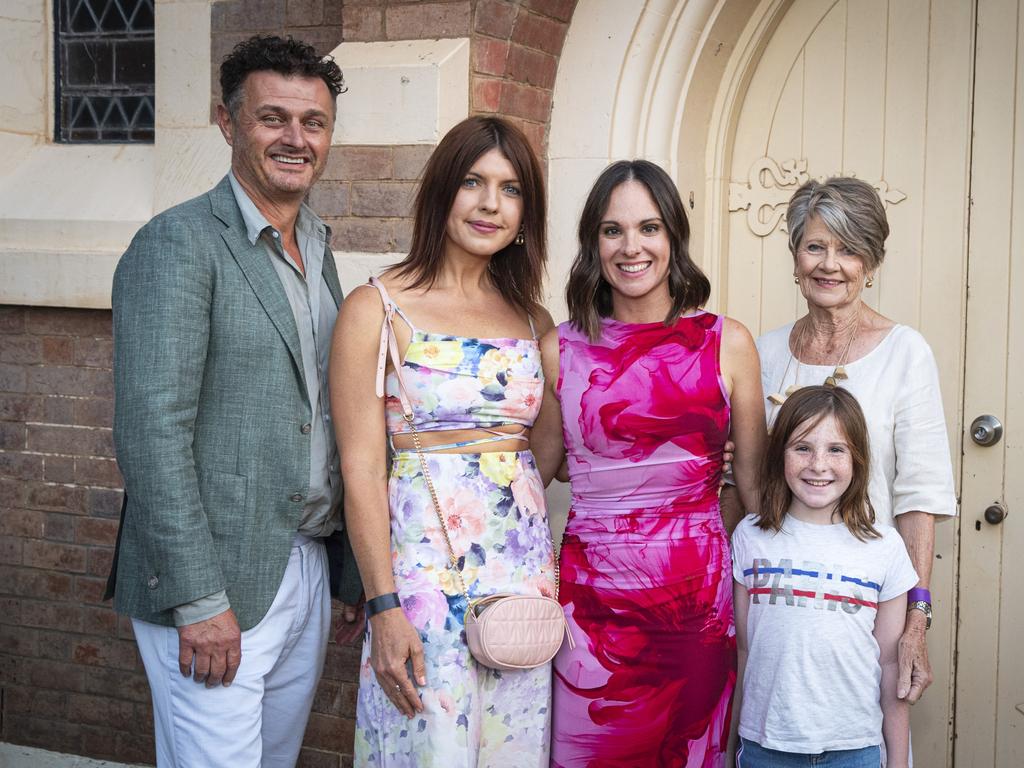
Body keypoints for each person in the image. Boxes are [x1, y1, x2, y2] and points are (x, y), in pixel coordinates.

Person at [106, 35, 358, 767]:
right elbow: (151, 432)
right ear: (227, 121)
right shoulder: (178, 245)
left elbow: (326, 417)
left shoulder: (318, 246)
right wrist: (198, 600)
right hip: (216, 581)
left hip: (303, 563)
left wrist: (342, 572)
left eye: (313, 122)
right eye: (271, 117)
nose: (295, 138)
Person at [330, 115, 556, 765]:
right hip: (421, 579)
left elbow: (547, 454)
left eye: (511, 189)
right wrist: (383, 606)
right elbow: (362, 469)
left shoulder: (533, 321)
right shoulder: (376, 307)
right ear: (440, 193)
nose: (490, 204)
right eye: (472, 182)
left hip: (520, 582)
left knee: (512, 748)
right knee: (427, 746)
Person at [531, 159, 767, 766]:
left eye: (649, 228)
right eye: (613, 230)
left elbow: (760, 494)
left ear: (673, 240)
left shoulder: (728, 342)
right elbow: (535, 472)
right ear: (593, 243)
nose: (631, 247)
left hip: (695, 607)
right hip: (591, 608)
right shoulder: (561, 348)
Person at [755, 177, 957, 705]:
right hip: (778, 601)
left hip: (870, 604)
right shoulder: (764, 352)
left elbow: (919, 496)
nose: (829, 264)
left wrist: (916, 617)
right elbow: (745, 479)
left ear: (871, 262)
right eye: (815, 245)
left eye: (848, 249)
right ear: (795, 255)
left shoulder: (905, 352)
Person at [732, 385, 918, 767]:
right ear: (778, 455)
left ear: (858, 459)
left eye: (836, 449)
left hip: (853, 749)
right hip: (765, 748)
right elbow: (743, 651)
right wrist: (727, 748)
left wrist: (898, 761)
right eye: (802, 447)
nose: (818, 464)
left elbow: (889, 666)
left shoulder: (885, 548)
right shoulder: (750, 537)